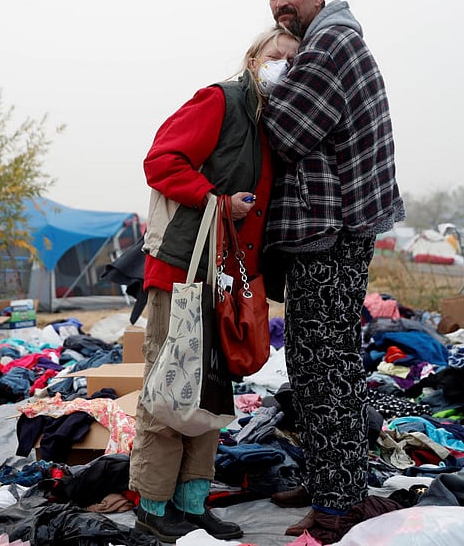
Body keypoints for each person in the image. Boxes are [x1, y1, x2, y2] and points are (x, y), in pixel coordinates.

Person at [130, 26, 299, 543]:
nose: (282, 67)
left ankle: (193, 501)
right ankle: (154, 503)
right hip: (183, 269)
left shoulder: (272, 123)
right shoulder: (220, 101)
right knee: (168, 383)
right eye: (276, 56)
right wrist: (216, 200)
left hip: (225, 279)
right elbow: (161, 161)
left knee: (211, 390)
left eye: (294, 62)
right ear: (253, 57)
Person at [261, 0, 406, 541]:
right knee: (314, 363)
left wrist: (263, 85)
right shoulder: (327, 42)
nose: (280, 4)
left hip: (332, 232)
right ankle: (331, 483)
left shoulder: (331, 44)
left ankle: (339, 504)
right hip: (327, 231)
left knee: (327, 368)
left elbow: (283, 131)